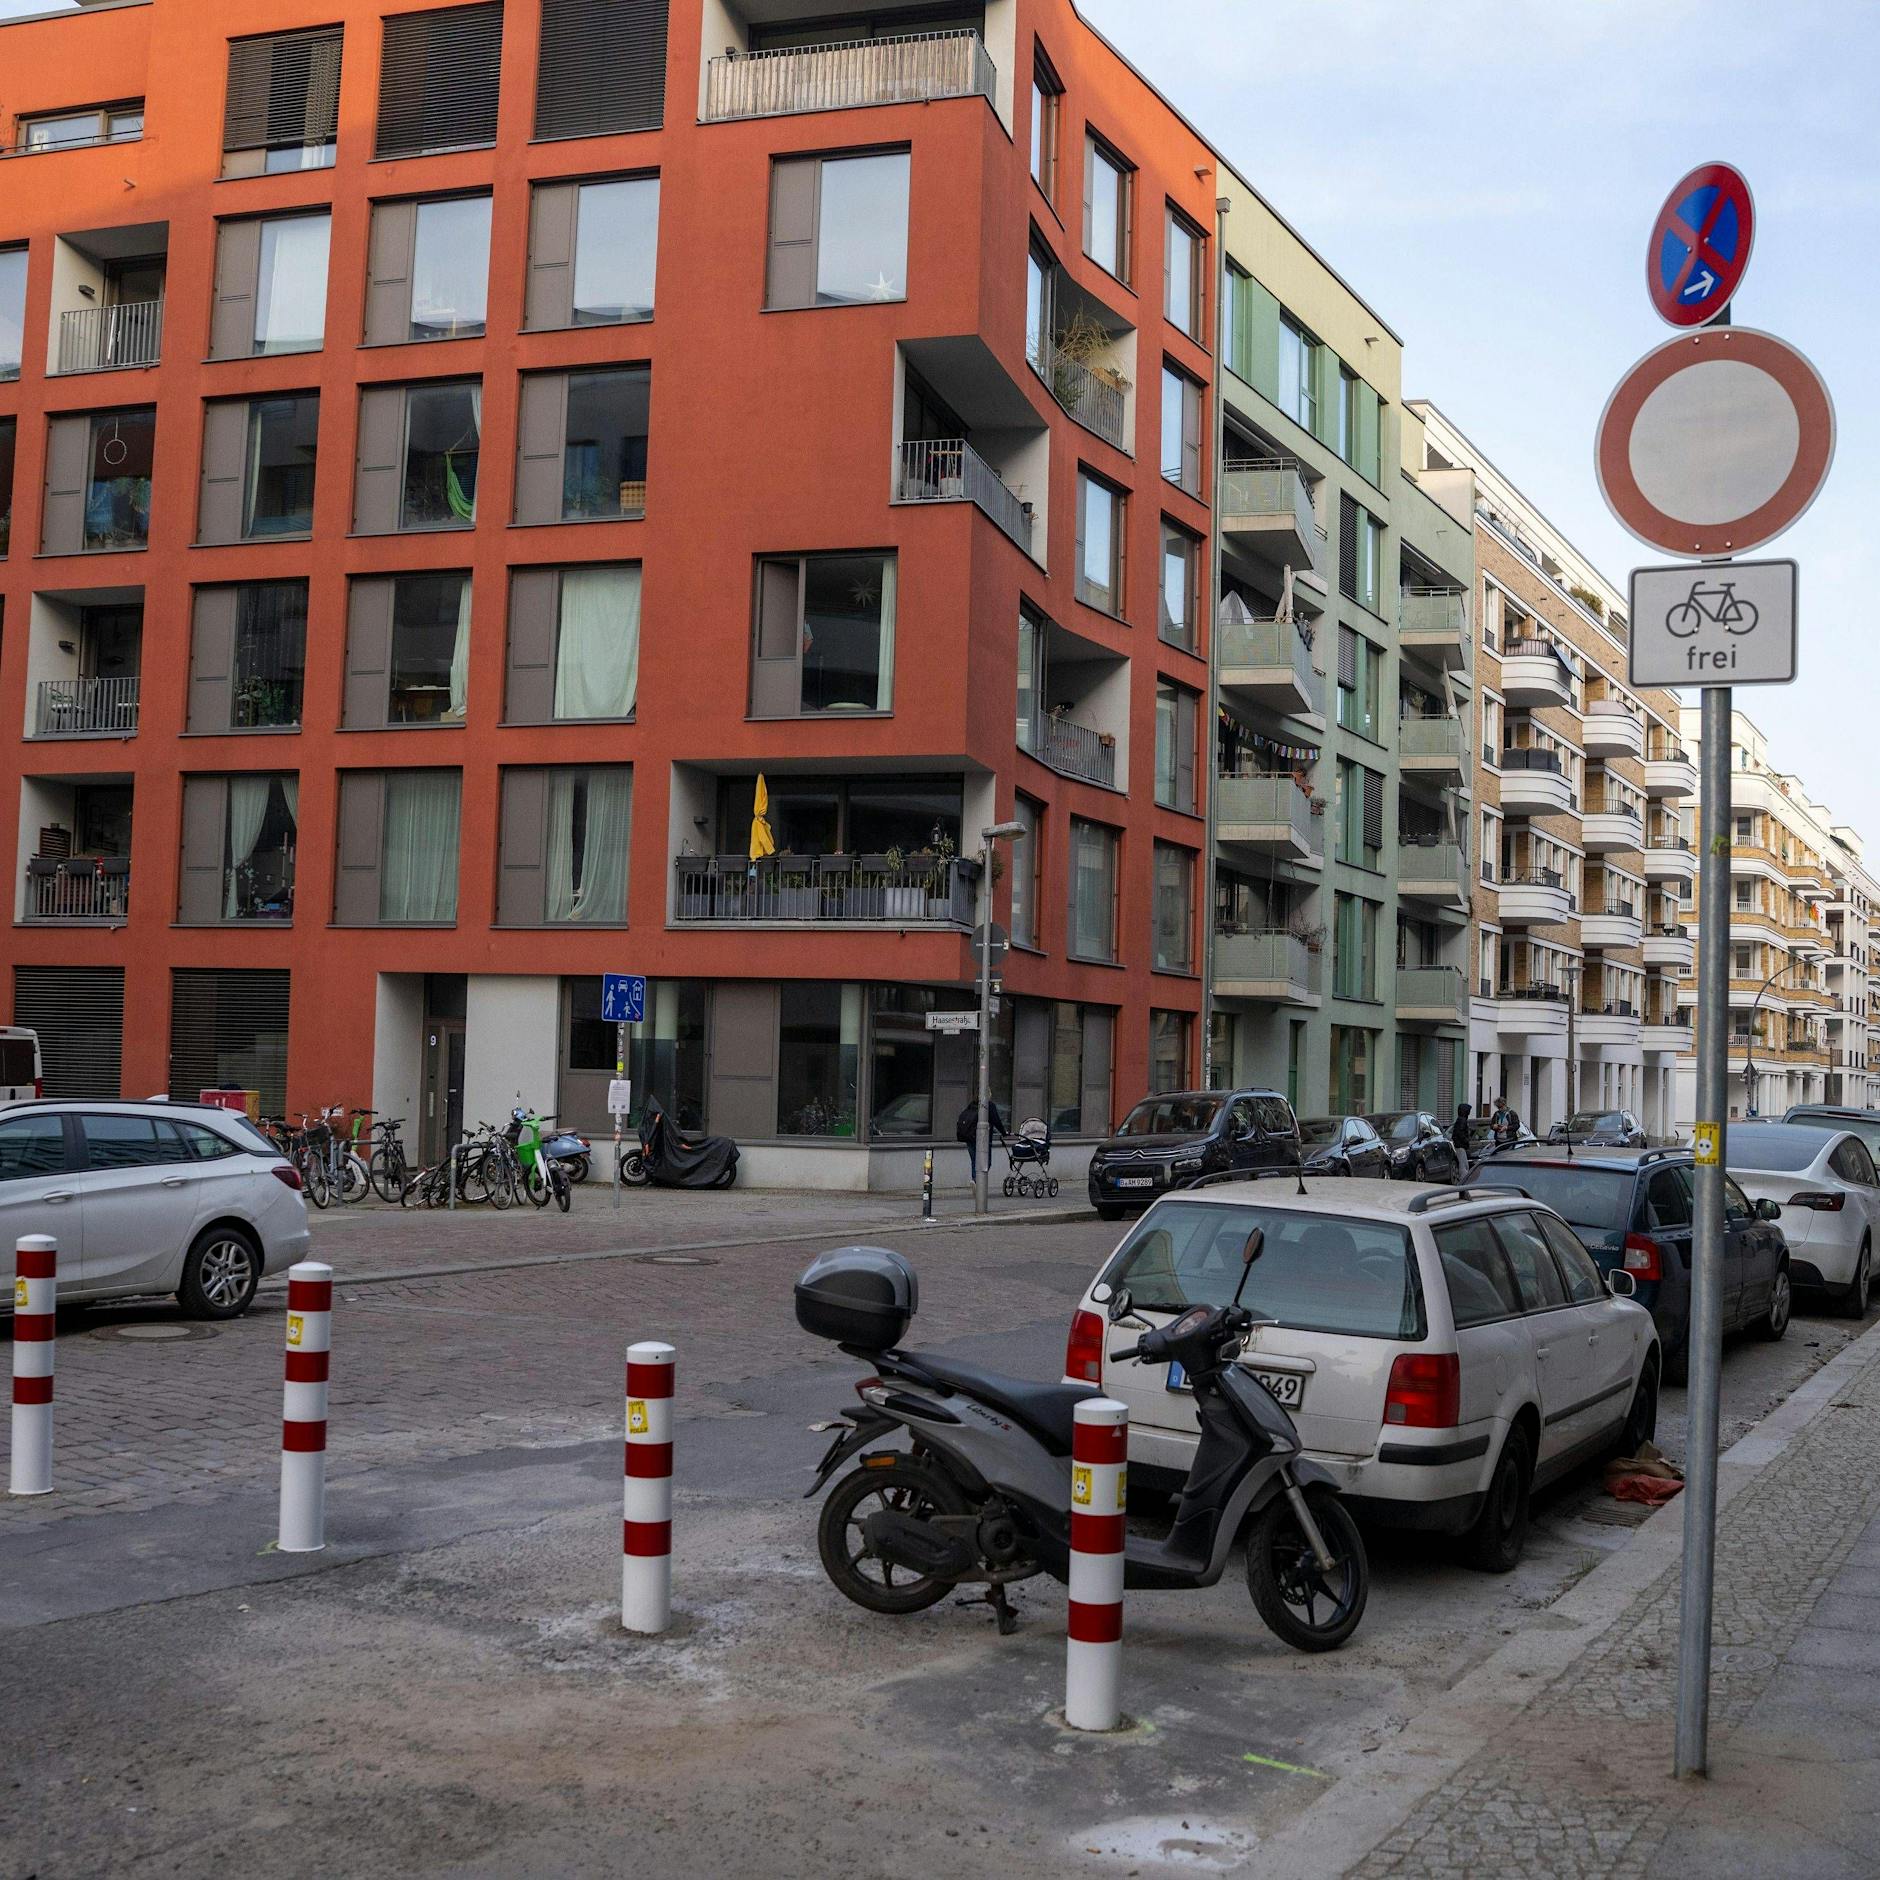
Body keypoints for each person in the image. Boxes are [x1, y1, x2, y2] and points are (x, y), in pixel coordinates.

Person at [955, 1098, 1007, 1182]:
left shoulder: (973, 1104)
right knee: (985, 1163)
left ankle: (974, 1180)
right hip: (983, 1138)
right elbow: (996, 1120)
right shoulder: (989, 1105)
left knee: (974, 1161)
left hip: (969, 1137)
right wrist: (1004, 1133)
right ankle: (977, 1182)